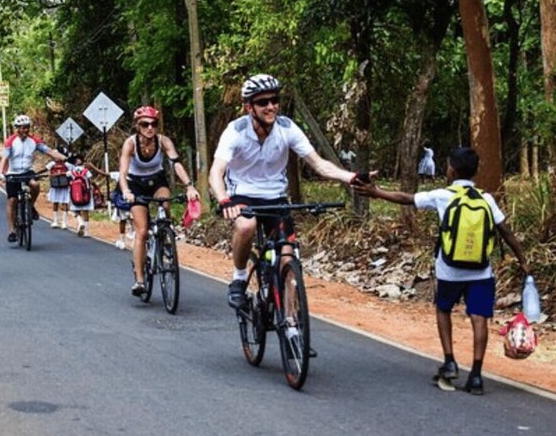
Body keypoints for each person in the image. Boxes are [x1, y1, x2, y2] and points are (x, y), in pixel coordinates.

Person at [354, 147, 531, 395]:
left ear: (451, 170)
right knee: (479, 318)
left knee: (443, 309)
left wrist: (376, 192)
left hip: (449, 270)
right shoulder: (486, 199)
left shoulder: (442, 195)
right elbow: (507, 233)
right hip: (481, 271)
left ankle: (449, 361)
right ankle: (477, 375)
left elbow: (407, 198)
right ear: (475, 171)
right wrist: (523, 260)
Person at [209, 74, 363, 310]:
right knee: (246, 226)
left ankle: (291, 325)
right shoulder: (236, 131)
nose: (271, 106)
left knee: (287, 260)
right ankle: (239, 277)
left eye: (274, 100)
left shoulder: (287, 127)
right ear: (249, 107)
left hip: (276, 197)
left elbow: (319, 164)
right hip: (243, 194)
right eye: (263, 102)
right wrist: (224, 200)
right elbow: (216, 171)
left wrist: (350, 177)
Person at [119, 106, 200, 296]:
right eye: (145, 124)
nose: (150, 128)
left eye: (153, 124)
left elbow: (176, 163)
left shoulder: (163, 141)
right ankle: (140, 280)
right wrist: (126, 191)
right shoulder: (130, 144)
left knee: (165, 203)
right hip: (135, 184)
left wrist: (189, 185)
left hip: (157, 180)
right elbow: (123, 172)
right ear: (137, 126)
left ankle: (165, 235)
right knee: (141, 230)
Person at [0, 114, 68, 243]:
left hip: (27, 171)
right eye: (22, 128)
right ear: (16, 128)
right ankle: (12, 230)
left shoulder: (34, 141)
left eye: (27, 128)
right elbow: (5, 158)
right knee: (12, 201)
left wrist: (64, 158)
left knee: (35, 185)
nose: (24, 130)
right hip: (13, 173)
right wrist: (2, 173)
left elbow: (50, 151)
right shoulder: (10, 141)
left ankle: (30, 205)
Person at [65, 153, 106, 237]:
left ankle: (80, 222)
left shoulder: (71, 171)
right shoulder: (86, 171)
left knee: (74, 210)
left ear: (75, 163)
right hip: (86, 193)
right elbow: (90, 180)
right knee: (85, 211)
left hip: (74, 193)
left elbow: (66, 176)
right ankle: (86, 231)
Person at [46, 151, 71, 229]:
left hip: (64, 186)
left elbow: (71, 172)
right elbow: (48, 173)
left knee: (65, 203)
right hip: (55, 185)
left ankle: (64, 222)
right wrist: (52, 175)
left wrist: (63, 174)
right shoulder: (51, 164)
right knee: (55, 202)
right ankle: (55, 221)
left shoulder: (67, 164)